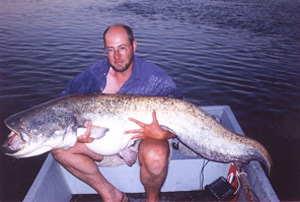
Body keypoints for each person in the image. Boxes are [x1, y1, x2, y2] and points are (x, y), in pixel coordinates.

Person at [51, 24, 182, 202]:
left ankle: (152, 199)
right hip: (98, 141)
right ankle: (111, 194)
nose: (117, 56)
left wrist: (164, 133)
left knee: (156, 155)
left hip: (140, 138)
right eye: (111, 50)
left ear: (134, 46)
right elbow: (63, 105)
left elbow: (183, 116)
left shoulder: (155, 79)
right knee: (58, 148)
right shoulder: (92, 76)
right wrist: (77, 134)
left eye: (122, 48)